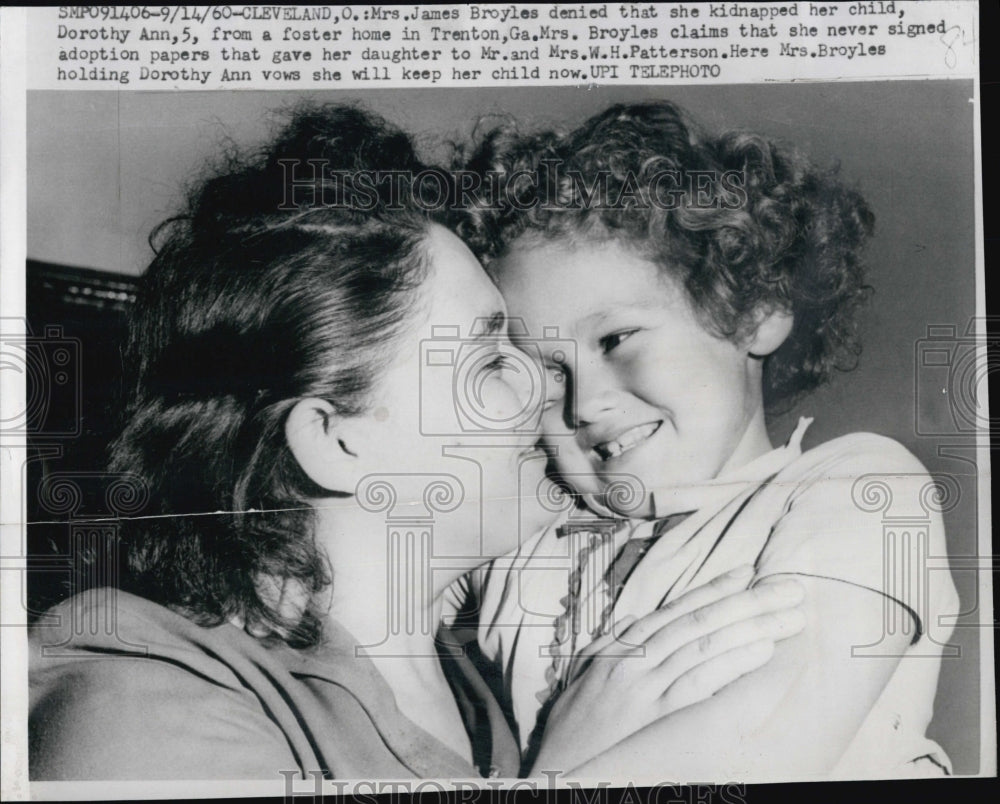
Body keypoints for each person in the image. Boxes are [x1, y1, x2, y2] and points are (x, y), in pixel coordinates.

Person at [28, 103, 806, 781]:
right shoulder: (141, 705)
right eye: (492, 357)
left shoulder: (495, 695)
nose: (549, 393)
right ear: (335, 442)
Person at [455, 100, 960, 779]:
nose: (584, 403)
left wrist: (551, 779)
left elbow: (778, 736)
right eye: (545, 370)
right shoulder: (526, 541)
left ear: (753, 312)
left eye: (616, 340)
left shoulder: (859, 487)